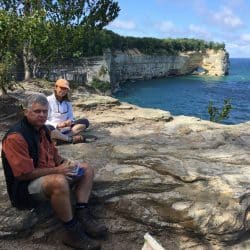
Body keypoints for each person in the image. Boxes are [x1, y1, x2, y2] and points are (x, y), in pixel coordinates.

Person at [1, 93, 106, 250]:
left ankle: (82, 213)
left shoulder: (43, 130)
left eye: (45, 111)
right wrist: (58, 170)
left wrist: (65, 163)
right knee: (58, 181)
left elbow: (53, 156)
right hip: (24, 189)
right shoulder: (16, 137)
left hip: (45, 176)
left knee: (85, 169)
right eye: (37, 111)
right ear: (26, 112)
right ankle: (72, 232)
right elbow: (23, 174)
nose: (42, 115)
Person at [46, 78, 95, 144]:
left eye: (65, 89)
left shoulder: (67, 102)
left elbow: (71, 116)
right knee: (48, 128)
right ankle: (70, 139)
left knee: (85, 122)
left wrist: (69, 121)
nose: (63, 91)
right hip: (54, 129)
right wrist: (57, 125)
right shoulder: (48, 100)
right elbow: (44, 120)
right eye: (61, 88)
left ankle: (61, 139)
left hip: (67, 128)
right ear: (56, 87)